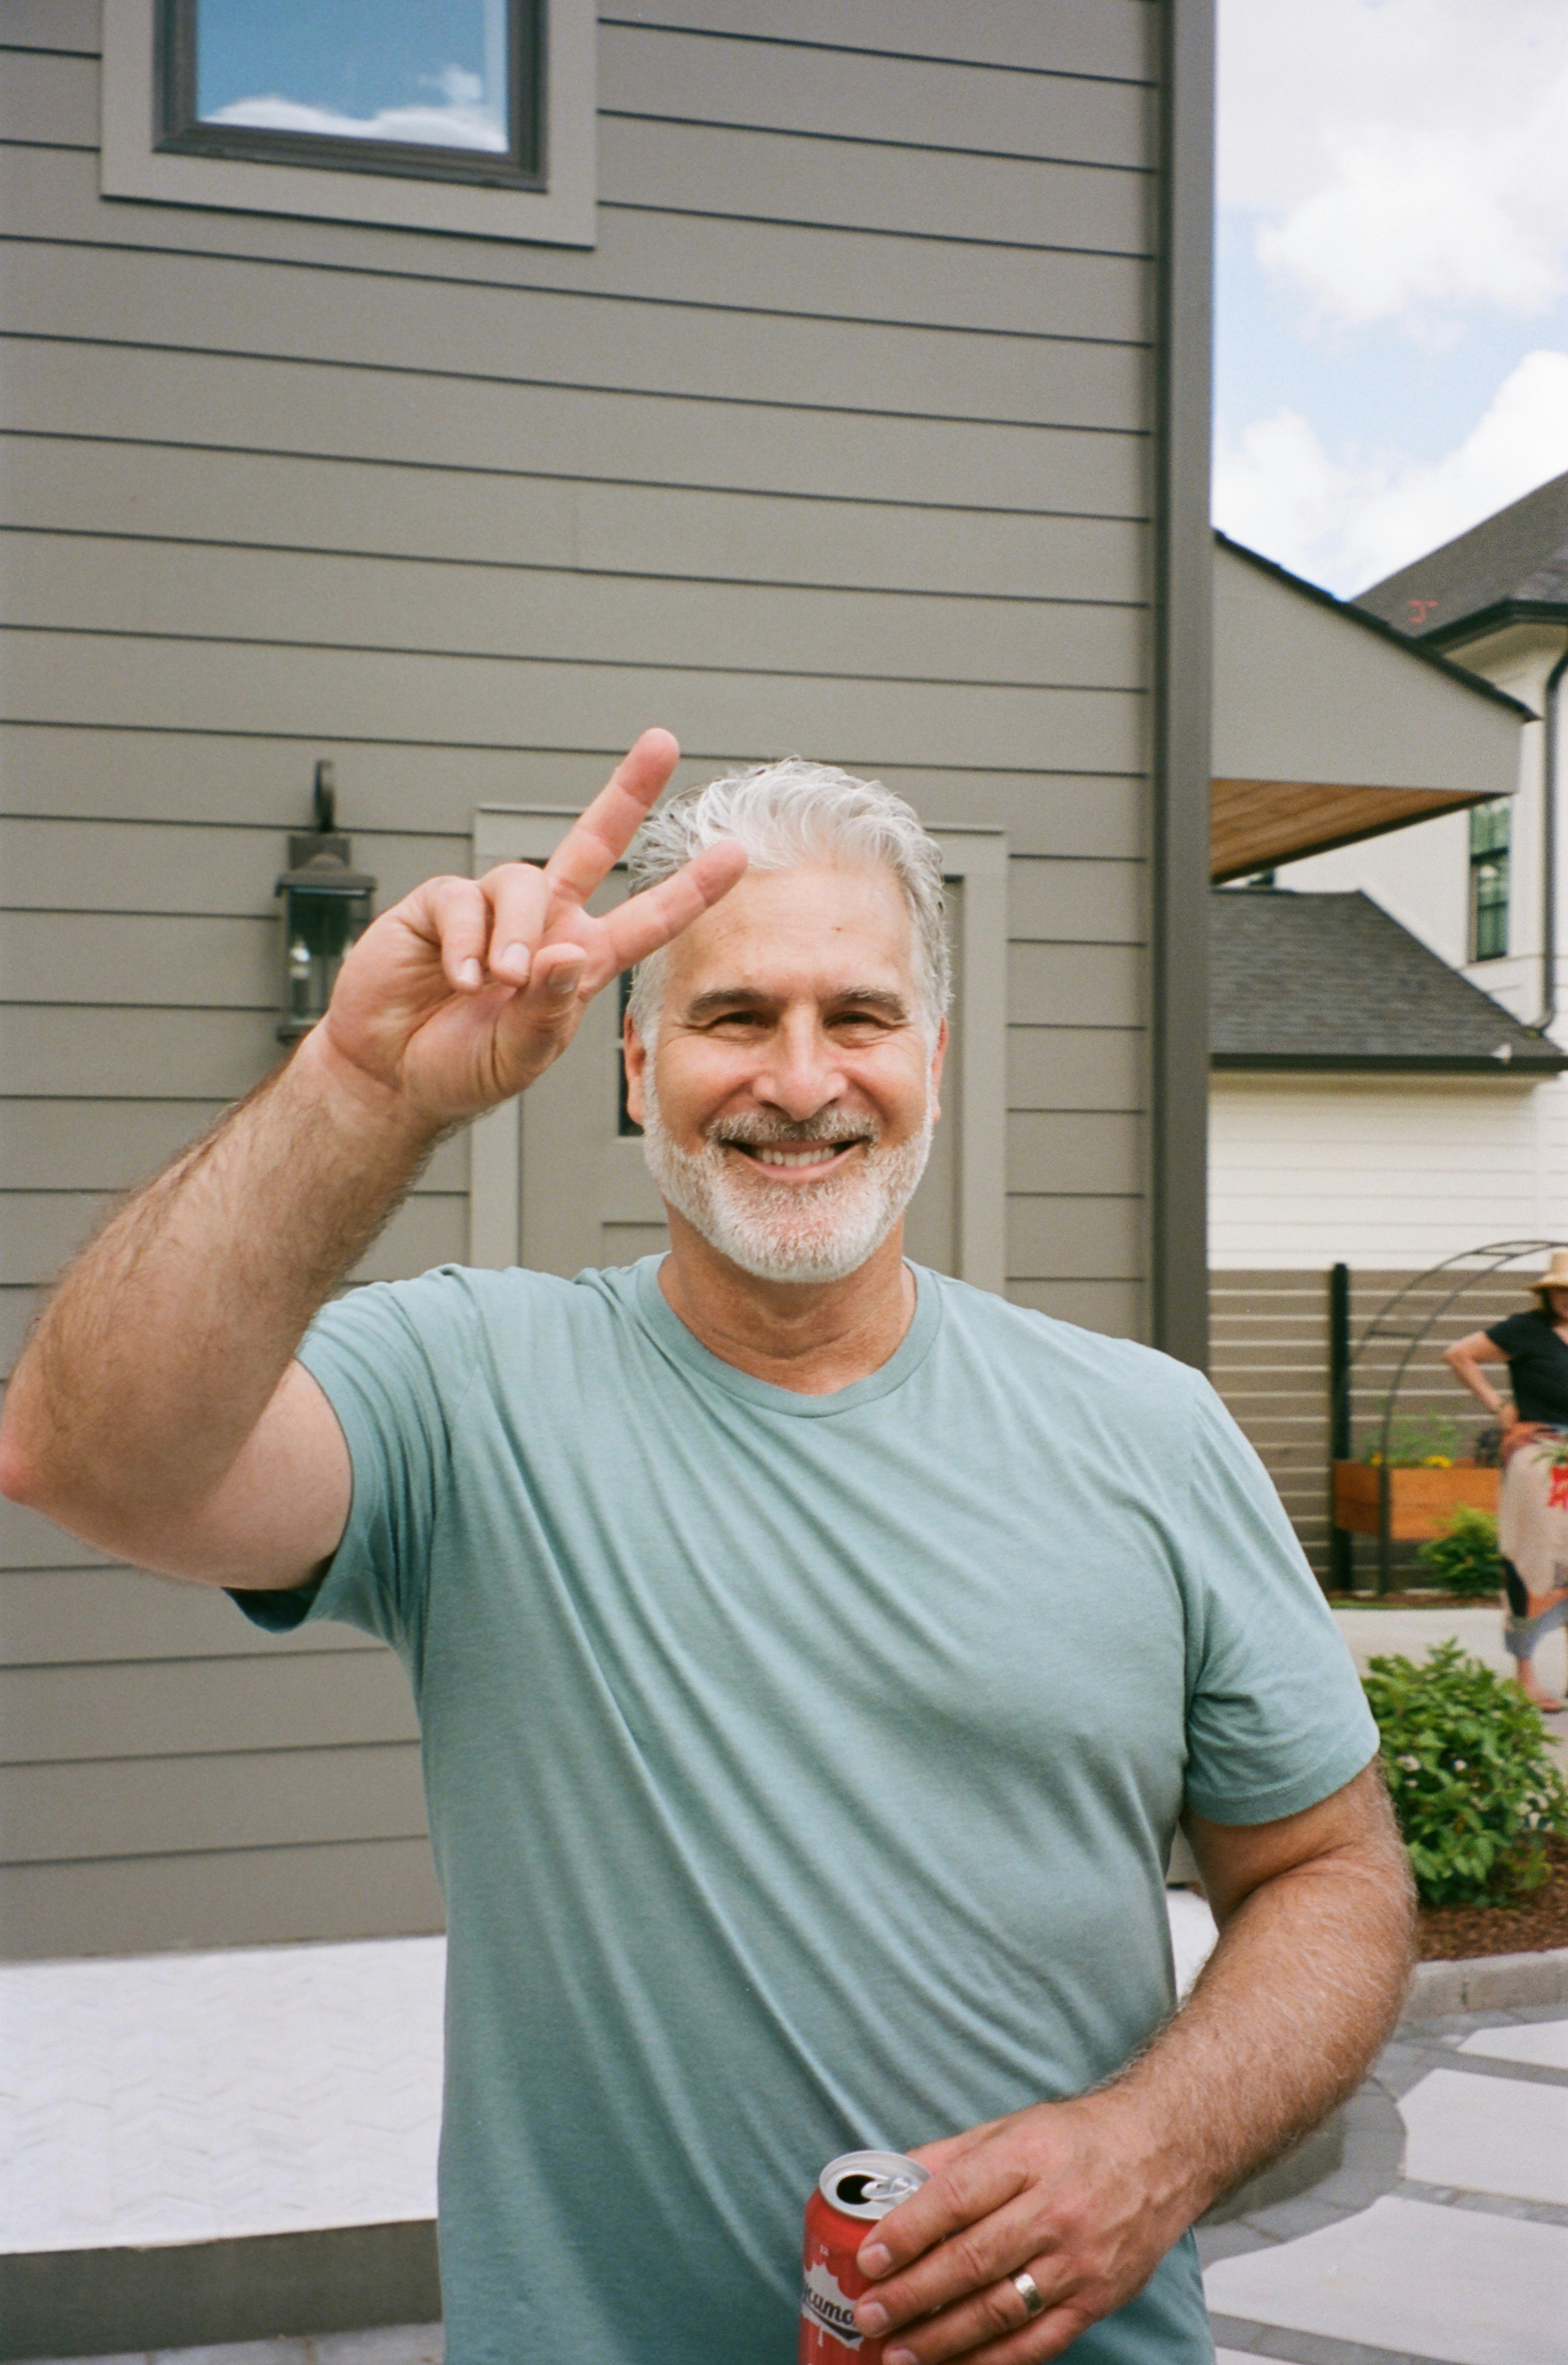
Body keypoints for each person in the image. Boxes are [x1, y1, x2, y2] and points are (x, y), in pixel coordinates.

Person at [1, 735, 1413, 2365]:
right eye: (734, 1015)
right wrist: (361, 1088)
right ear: (632, 1060)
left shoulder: (1148, 1433)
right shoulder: (471, 1391)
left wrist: (1148, 2145)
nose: (799, 1078)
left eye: (857, 1017)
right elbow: (84, 1450)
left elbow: (1327, 1872)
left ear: (933, 1058)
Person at [1444, 1253, 1568, 1713]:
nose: (1567, 1298)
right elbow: (1459, 1354)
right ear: (1546, 1292)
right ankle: (1525, 1675)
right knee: (1534, 1554)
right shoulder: (1525, 1330)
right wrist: (1501, 1409)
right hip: (1538, 1451)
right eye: (1561, 1290)